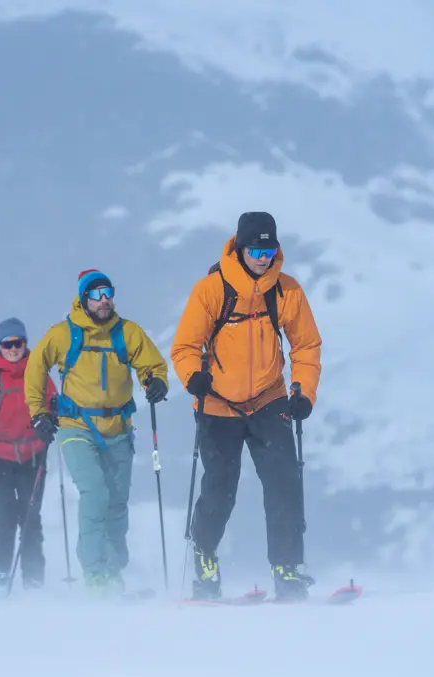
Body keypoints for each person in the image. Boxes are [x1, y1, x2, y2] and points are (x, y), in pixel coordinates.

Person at [170, 211, 321, 602]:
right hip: (218, 406)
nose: (262, 256)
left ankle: (287, 568)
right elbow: (185, 347)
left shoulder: (287, 291)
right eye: (255, 248)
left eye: (269, 248)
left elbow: (305, 346)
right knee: (220, 490)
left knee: (285, 482)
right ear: (239, 246)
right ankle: (205, 560)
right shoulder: (211, 290)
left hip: (269, 400)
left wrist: (303, 393)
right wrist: (193, 378)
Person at [25, 269, 169, 595]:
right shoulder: (64, 334)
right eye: (97, 294)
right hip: (76, 426)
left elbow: (152, 364)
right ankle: (95, 574)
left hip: (118, 427)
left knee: (117, 503)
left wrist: (156, 382)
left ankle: (113, 570)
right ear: (83, 299)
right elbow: (35, 367)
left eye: (108, 292)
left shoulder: (127, 332)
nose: (104, 300)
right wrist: (39, 413)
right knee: (95, 493)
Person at [0, 318, 58, 594]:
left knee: (31, 517)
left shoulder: (38, 373)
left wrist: (52, 419)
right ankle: (0, 573)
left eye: (18, 343)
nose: (14, 349)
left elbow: (54, 403)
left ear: (25, 344)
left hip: (33, 455)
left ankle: (33, 578)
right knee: (6, 515)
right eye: (8, 344)